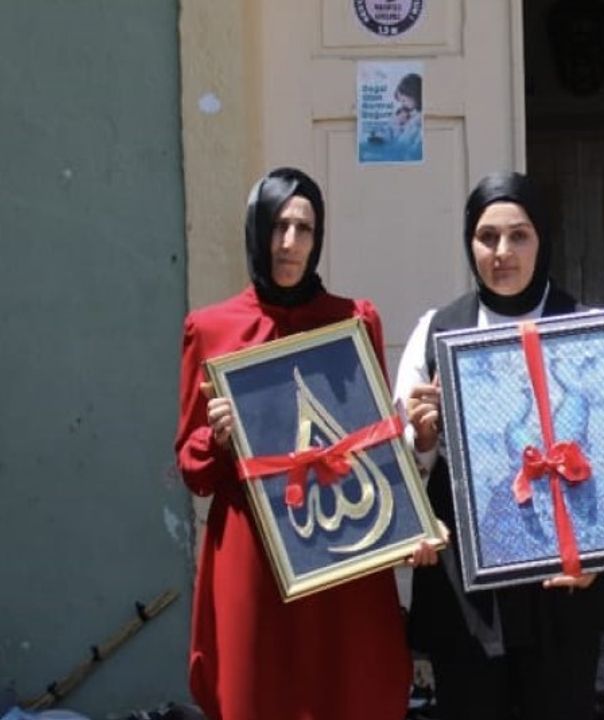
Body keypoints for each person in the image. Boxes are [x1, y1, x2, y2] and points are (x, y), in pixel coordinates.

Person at [174, 167, 423, 720]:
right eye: (277, 226)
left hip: (342, 546)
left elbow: (375, 441)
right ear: (256, 231)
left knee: (346, 688)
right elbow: (192, 468)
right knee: (256, 692)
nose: (289, 243)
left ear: (319, 236)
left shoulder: (352, 320)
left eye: (303, 228)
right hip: (252, 554)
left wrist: (408, 523)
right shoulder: (210, 329)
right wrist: (216, 438)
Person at [394, 171, 604, 720]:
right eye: (487, 237)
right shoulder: (435, 332)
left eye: (519, 236)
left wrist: (600, 556)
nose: (502, 252)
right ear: (469, 243)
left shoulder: (586, 330)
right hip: (468, 593)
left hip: (563, 583)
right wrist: (422, 436)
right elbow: (403, 468)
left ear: (542, 239)